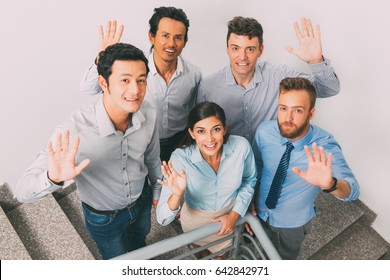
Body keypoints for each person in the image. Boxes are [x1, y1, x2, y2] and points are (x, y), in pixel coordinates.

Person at [14, 43, 162, 260]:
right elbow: (21, 192)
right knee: (116, 260)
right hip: (105, 218)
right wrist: (52, 178)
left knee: (140, 244)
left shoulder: (149, 112)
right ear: (103, 82)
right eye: (125, 80)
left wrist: (157, 193)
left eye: (141, 80)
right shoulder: (73, 131)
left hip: (142, 202)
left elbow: (152, 158)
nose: (135, 90)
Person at [249, 77, 360, 259]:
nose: (288, 118)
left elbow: (353, 190)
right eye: (283, 108)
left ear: (311, 113)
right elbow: (258, 165)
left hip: (294, 223)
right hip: (261, 210)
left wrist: (330, 184)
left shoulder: (325, 146)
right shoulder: (264, 131)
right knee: (263, 247)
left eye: (298, 110)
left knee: (286, 257)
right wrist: (252, 196)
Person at [80, 6, 202, 162]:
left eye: (178, 37)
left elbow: (196, 113)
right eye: (165, 35)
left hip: (179, 142)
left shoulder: (194, 74)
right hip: (139, 140)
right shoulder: (133, 69)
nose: (171, 43)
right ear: (151, 37)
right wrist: (101, 58)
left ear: (184, 42)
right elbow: (88, 88)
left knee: (174, 186)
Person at [197, 16, 340, 144]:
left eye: (250, 49)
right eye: (235, 48)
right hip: (231, 167)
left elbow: (329, 88)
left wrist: (316, 61)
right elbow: (199, 134)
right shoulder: (208, 88)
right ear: (227, 49)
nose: (242, 57)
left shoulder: (279, 75)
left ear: (261, 50)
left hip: (273, 165)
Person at [156, 101, 257, 259]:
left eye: (216, 129)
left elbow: (249, 180)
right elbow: (162, 219)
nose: (210, 139)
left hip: (228, 216)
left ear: (225, 128)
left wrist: (235, 215)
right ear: (192, 133)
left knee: (222, 257)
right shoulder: (180, 159)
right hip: (195, 223)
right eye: (201, 131)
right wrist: (177, 195)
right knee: (202, 256)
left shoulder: (241, 147)